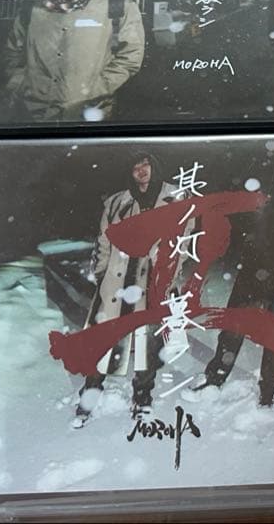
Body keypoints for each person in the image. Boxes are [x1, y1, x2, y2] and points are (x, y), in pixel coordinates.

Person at [193, 156, 274, 406]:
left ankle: (268, 391)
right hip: (252, 275)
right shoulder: (270, 195)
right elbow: (246, 225)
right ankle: (215, 379)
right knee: (233, 329)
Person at [73, 152, 185, 428]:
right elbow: (103, 241)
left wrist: (168, 276)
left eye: (145, 164)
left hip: (153, 281)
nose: (141, 170)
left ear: (155, 165)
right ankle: (91, 393)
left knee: (149, 343)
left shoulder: (175, 198)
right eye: (135, 166)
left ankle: (142, 397)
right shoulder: (116, 202)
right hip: (119, 279)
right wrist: (102, 274)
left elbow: (181, 244)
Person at [3, 0, 145, 122]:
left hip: (92, 111)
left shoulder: (118, 5)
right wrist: (21, 84)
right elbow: (13, 52)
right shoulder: (31, 10)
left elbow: (130, 56)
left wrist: (97, 88)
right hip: (34, 113)